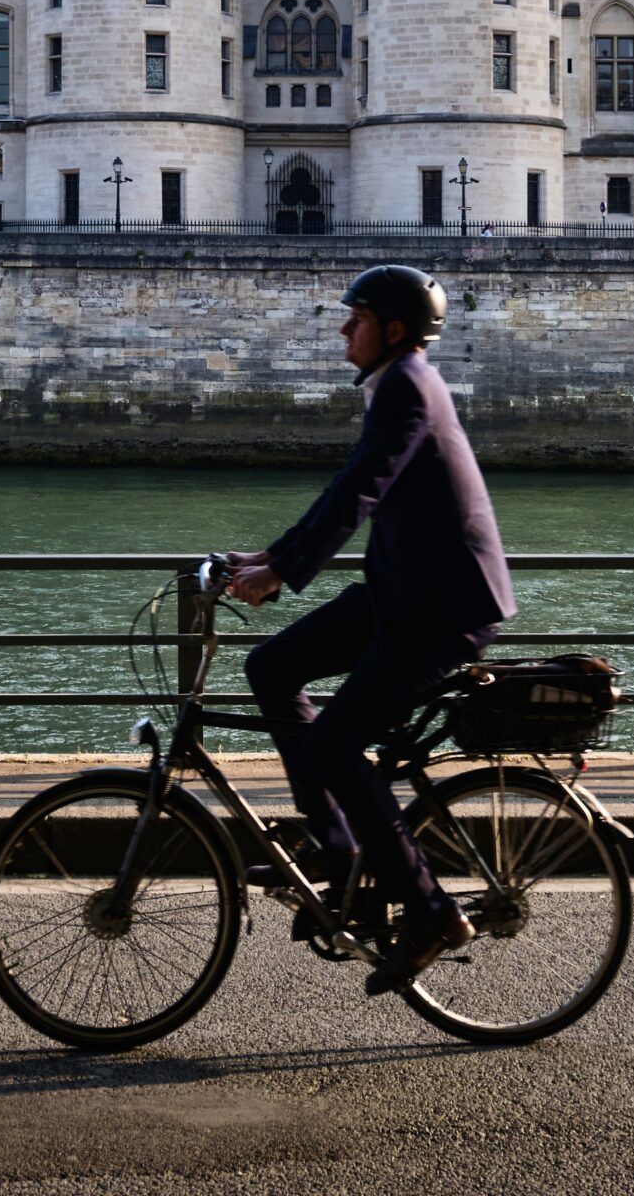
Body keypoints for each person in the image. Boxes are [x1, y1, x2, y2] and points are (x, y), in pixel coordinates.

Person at [228, 264, 515, 997]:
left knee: (333, 742)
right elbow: (347, 486)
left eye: (352, 318)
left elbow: (361, 490)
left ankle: (430, 911)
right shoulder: (396, 383)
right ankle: (334, 847)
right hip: (404, 592)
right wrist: (266, 557)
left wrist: (281, 574)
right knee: (271, 668)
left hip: (444, 608)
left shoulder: (408, 387)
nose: (341, 329)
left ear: (391, 329)